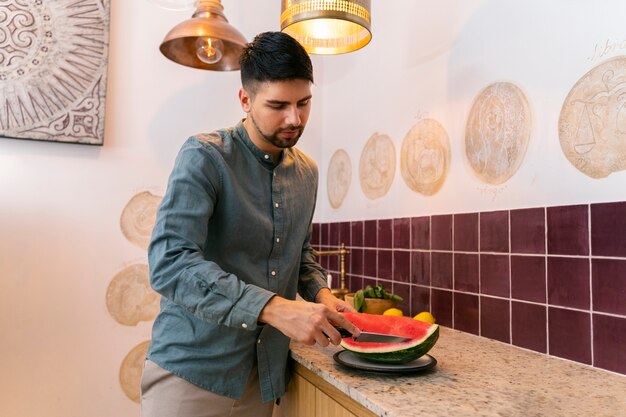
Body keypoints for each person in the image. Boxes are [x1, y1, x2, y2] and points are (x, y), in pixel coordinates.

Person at [140, 31, 360, 417]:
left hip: (264, 375)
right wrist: (274, 308)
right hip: (192, 373)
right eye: (278, 105)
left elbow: (300, 254)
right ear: (245, 99)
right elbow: (170, 262)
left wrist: (321, 294)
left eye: (304, 103)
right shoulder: (205, 156)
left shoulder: (307, 172)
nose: (295, 118)